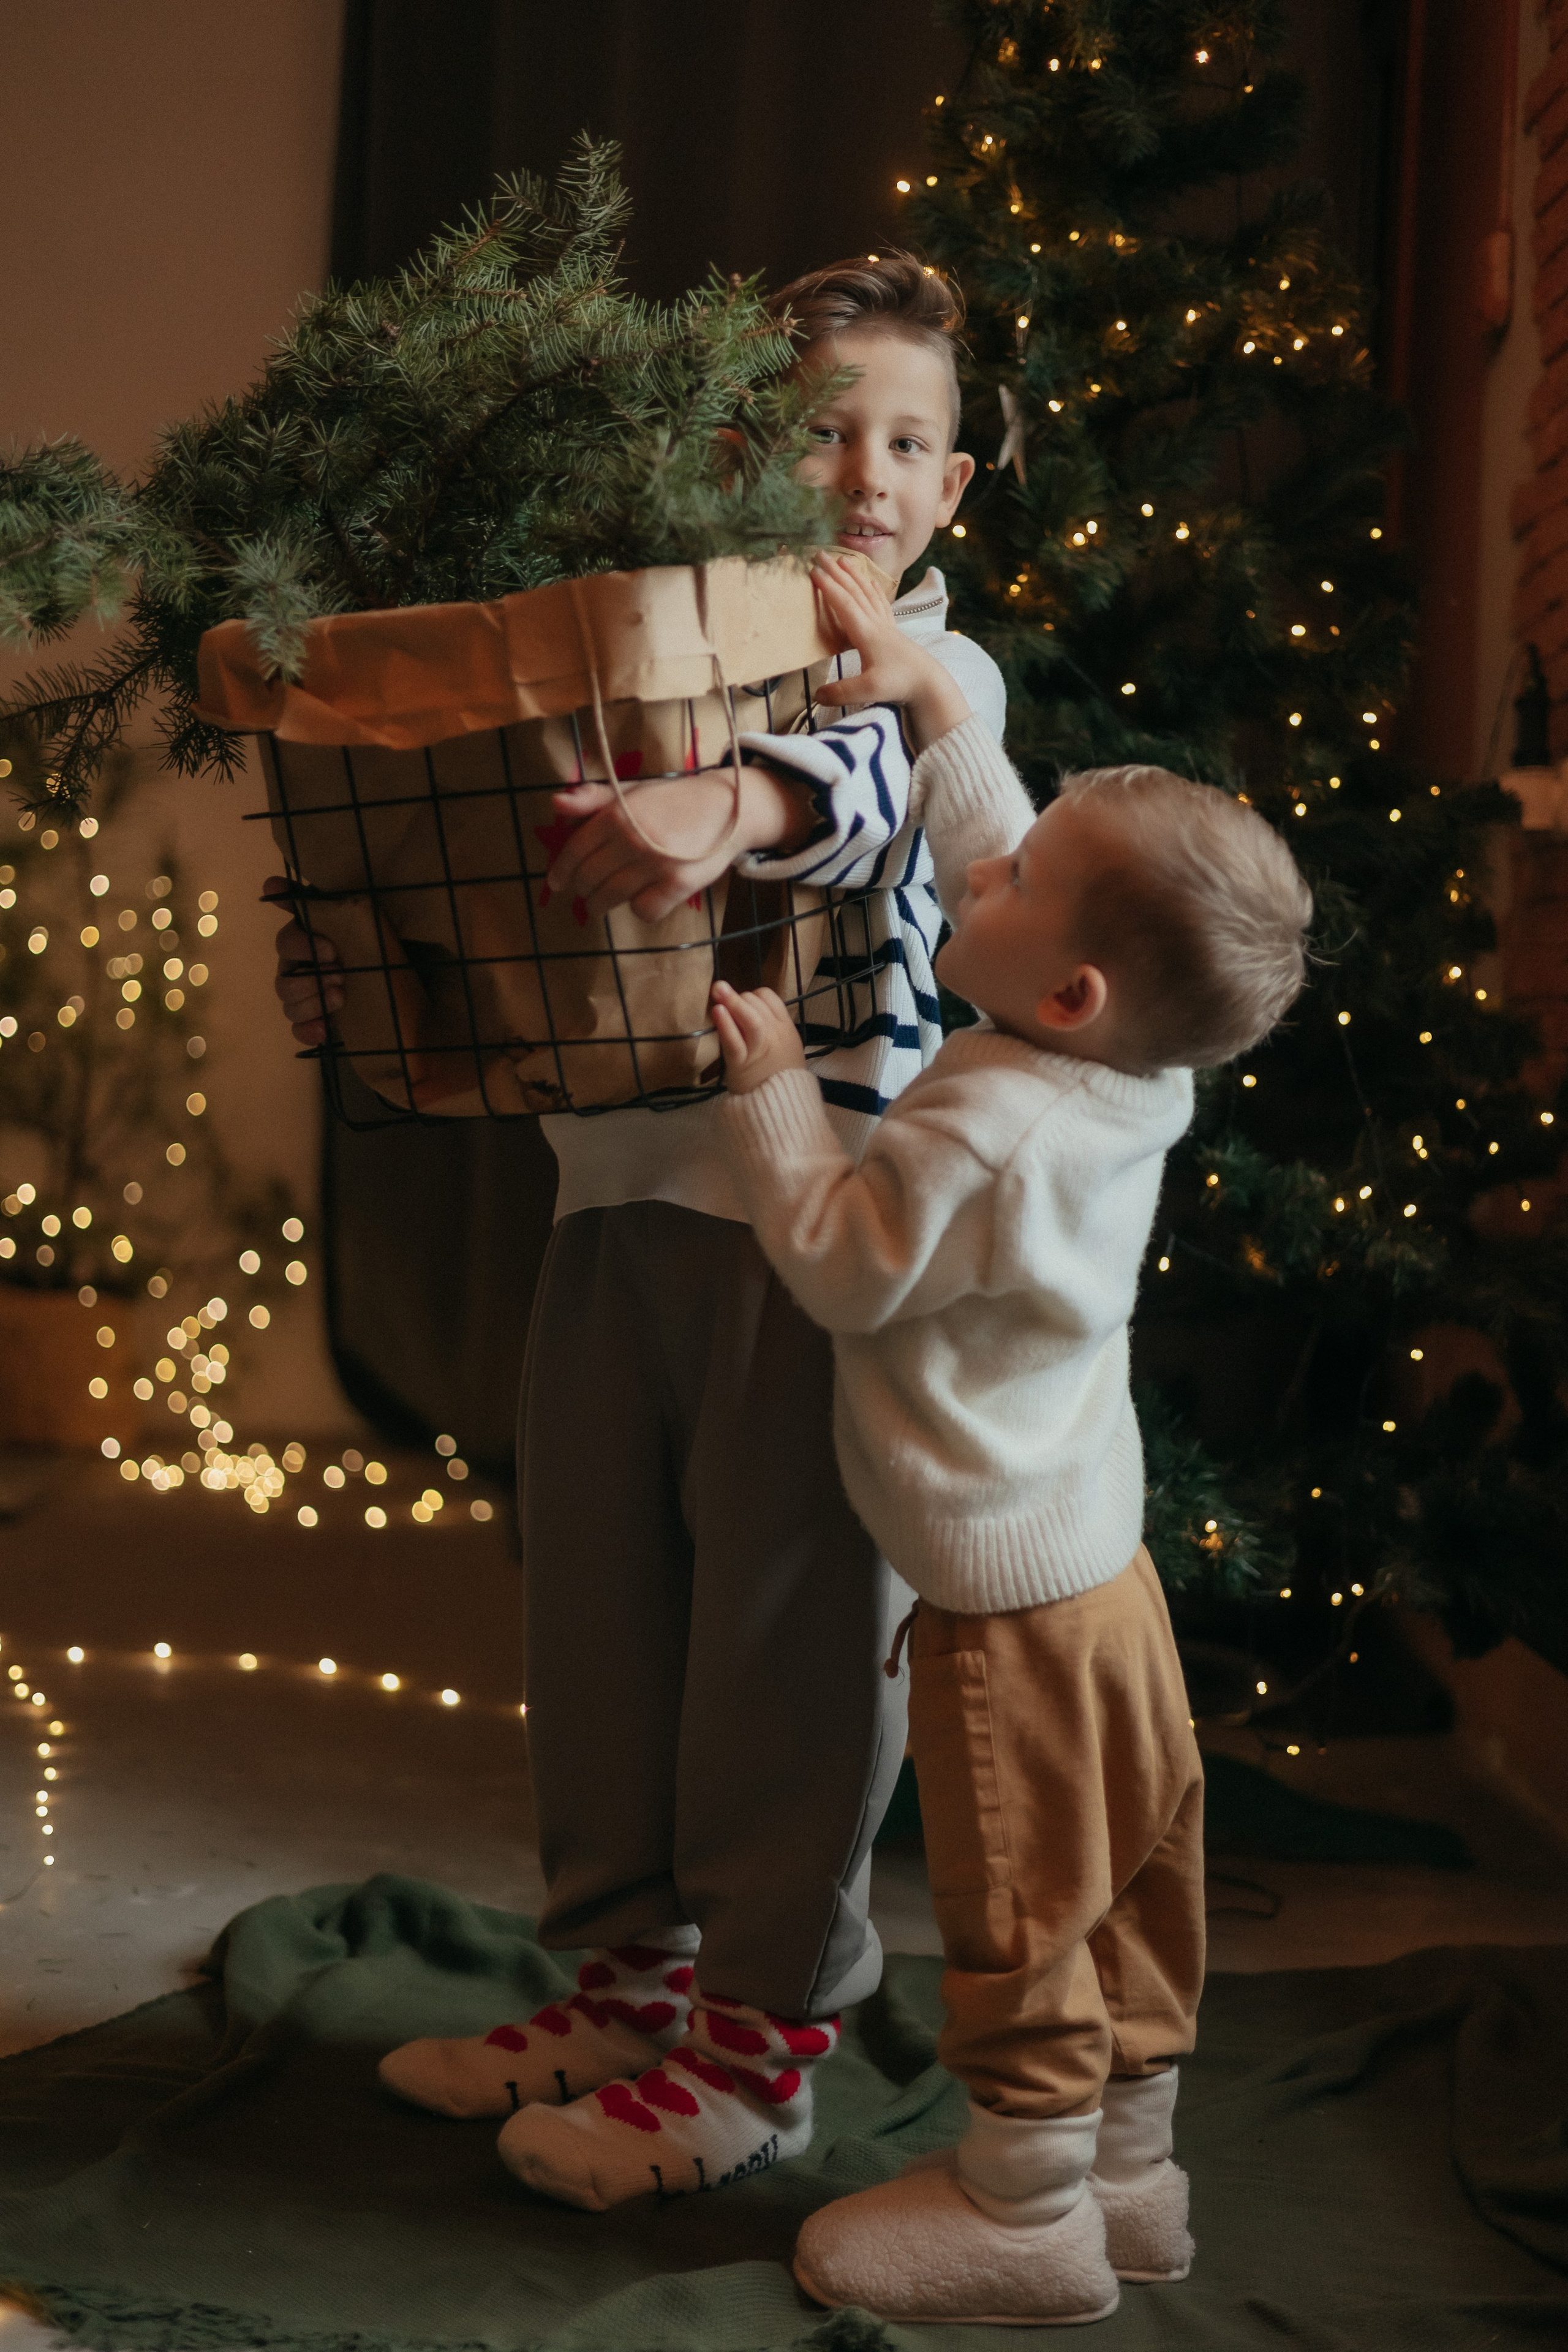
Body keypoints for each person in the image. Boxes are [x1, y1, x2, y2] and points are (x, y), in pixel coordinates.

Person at [270, 255, 1036, 2212]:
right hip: (612, 1202)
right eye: (820, 425)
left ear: (952, 493)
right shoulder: (640, 652)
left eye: (909, 442)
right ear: (722, 450)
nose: (865, 470)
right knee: (601, 1619)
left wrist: (735, 805)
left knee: (785, 1646)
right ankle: (629, 1989)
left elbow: (874, 779)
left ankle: (763, 2052)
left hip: (814, 1224)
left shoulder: (937, 667)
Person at [707, 755, 1313, 2323]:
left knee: (1023, 1904)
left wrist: (773, 1089)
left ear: (1066, 992)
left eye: (1012, 881)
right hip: (1103, 1571)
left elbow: (842, 1266)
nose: (975, 871)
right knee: (1130, 1880)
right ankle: (1129, 2180)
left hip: (1003, 1602)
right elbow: (1022, 868)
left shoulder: (978, 1122)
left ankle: (1021, 2213)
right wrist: (927, 710)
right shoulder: (1139, 1065)